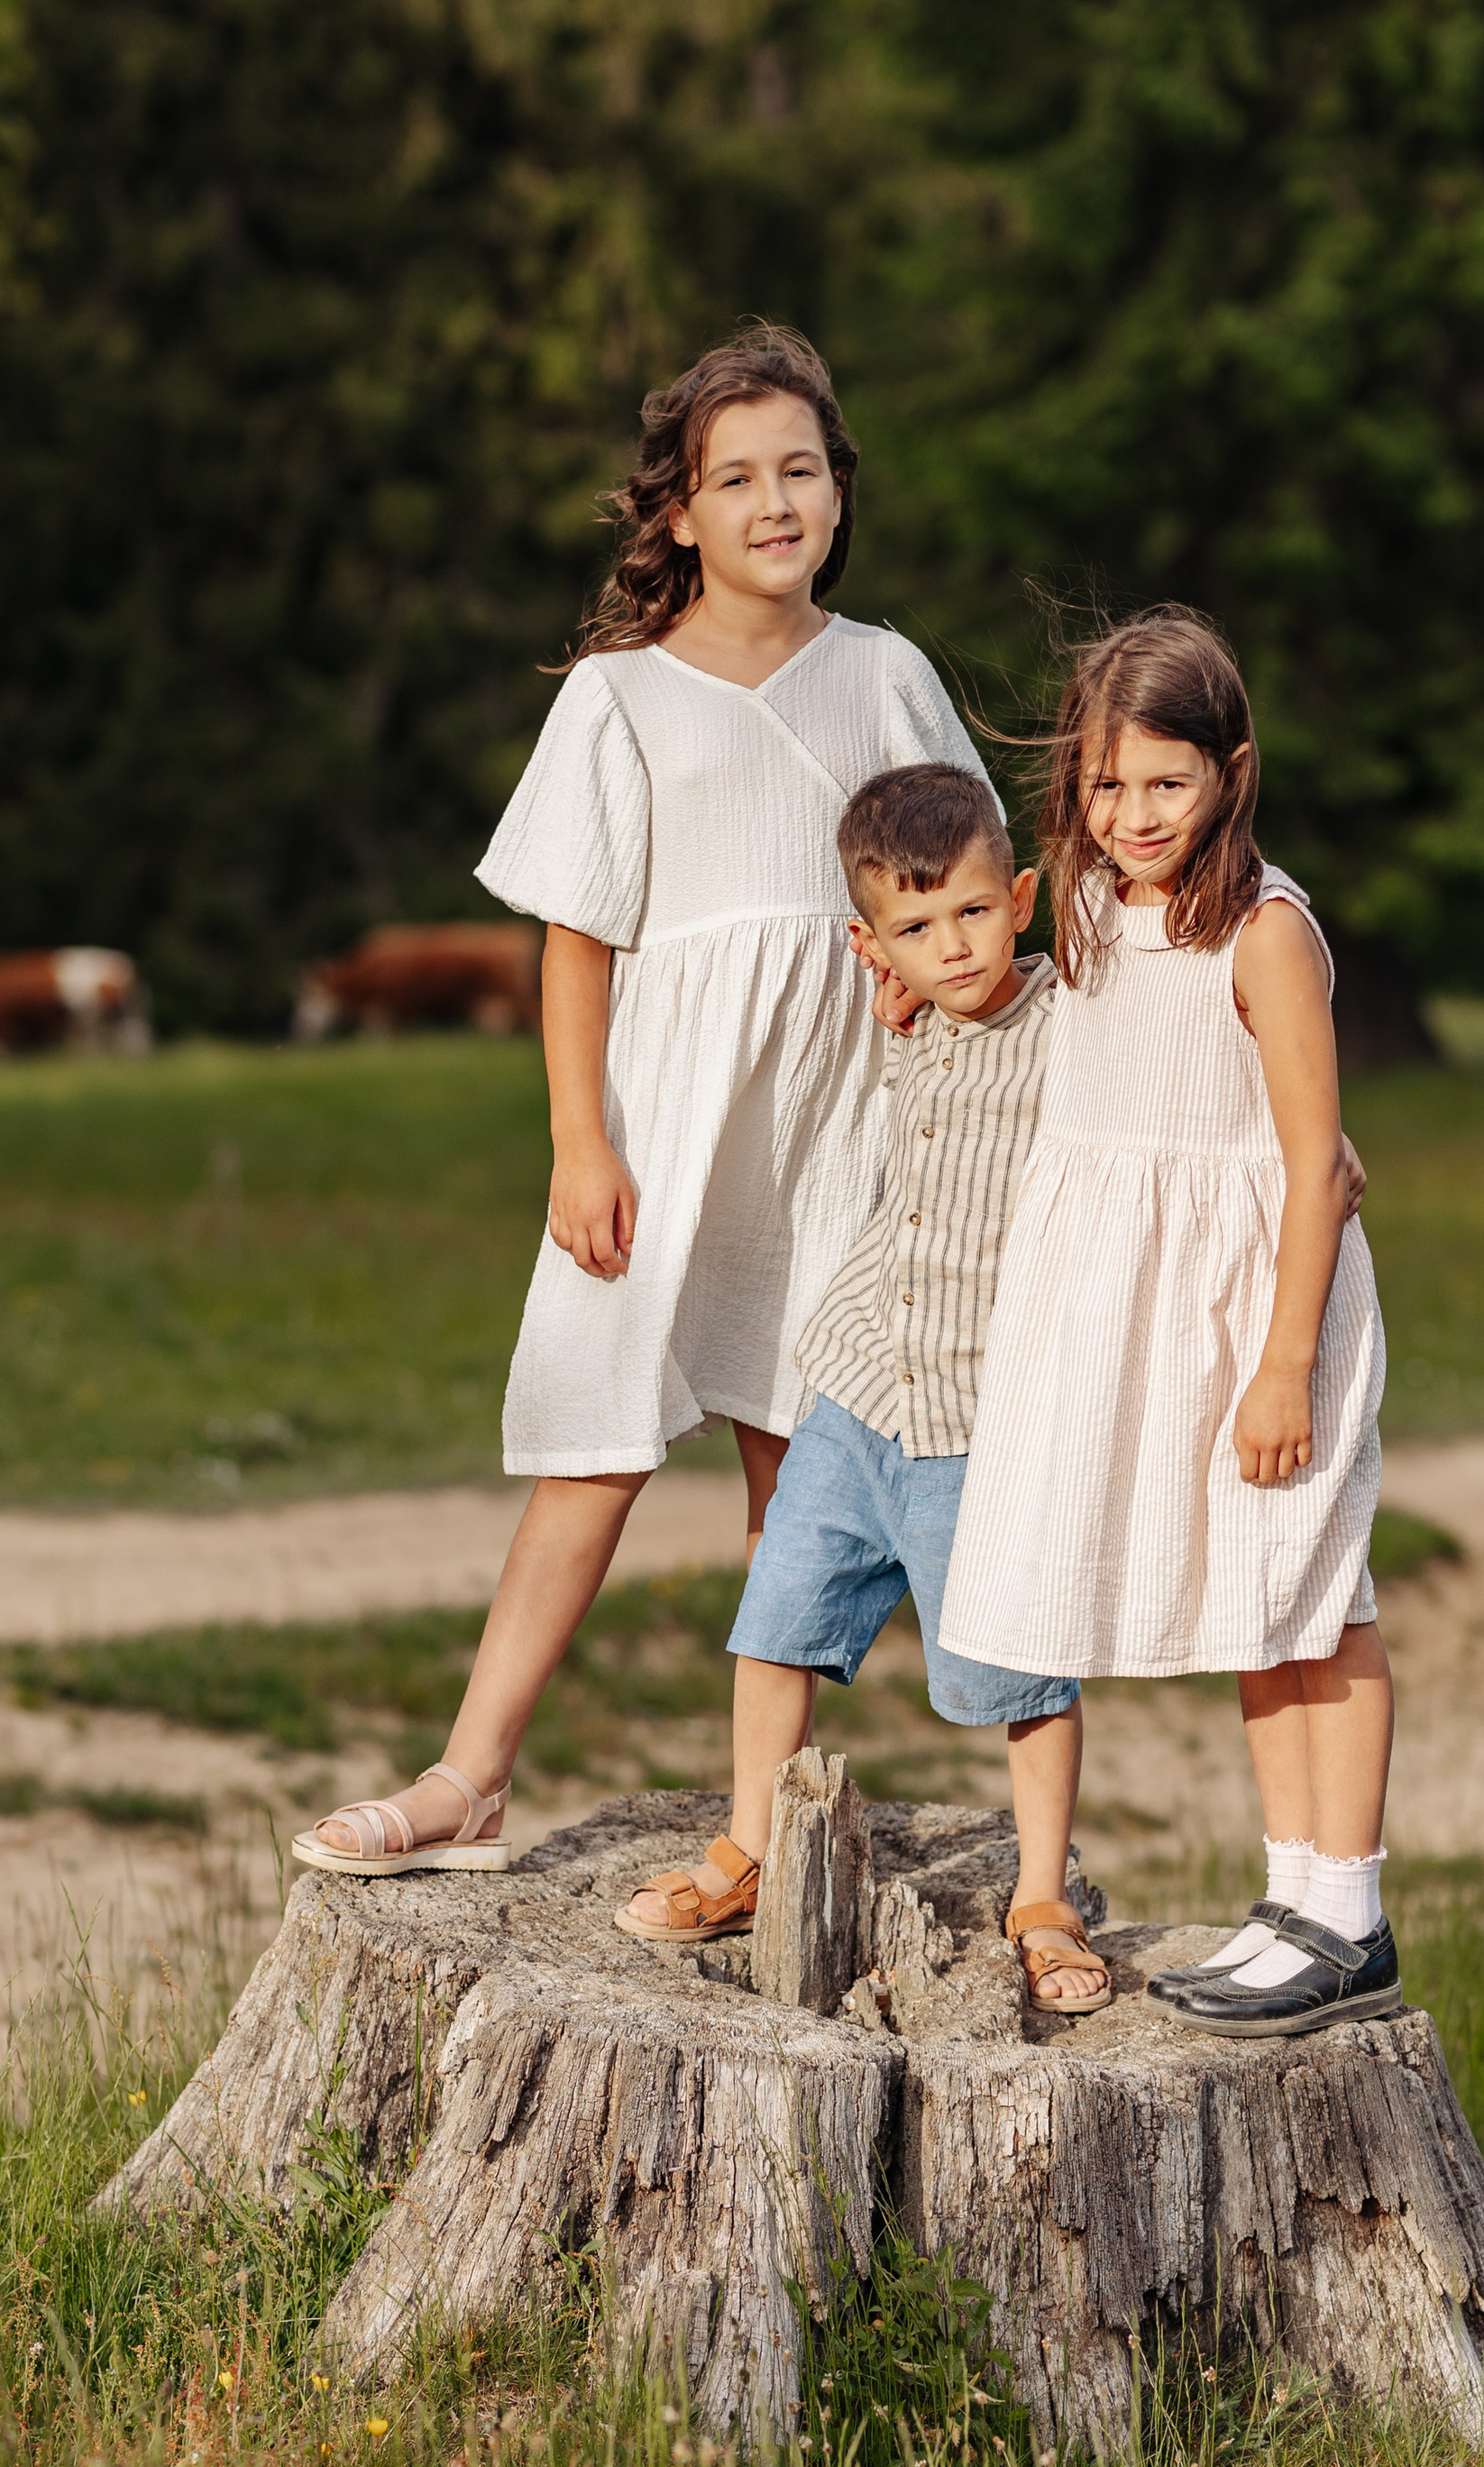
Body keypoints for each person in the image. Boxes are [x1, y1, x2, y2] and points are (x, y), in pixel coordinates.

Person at [292, 326, 989, 1878]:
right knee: (594, 1441)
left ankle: (765, 1820)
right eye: (735, 479)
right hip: (665, 1124)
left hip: (840, 1127)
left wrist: (914, 970)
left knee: (796, 1458)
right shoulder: (618, 699)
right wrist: (580, 1139)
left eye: (800, 471)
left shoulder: (887, 674)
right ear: (679, 511)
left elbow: (967, 885)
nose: (773, 502)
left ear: (839, 491)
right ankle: (473, 1774)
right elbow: (577, 933)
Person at [935, 607, 1398, 2039]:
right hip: (1154, 1311)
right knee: (1259, 1606)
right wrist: (924, 986)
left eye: (1167, 785)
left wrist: (1282, 1367)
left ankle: (1356, 1912)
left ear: (1232, 774)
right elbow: (1060, 1022)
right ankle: (1295, 1891)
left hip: (1266, 1311)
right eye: (1106, 783)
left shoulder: (1264, 935)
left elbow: (1317, 1159)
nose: (1131, 815)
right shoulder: (1081, 905)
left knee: (1321, 1597)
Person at [617, 761, 1112, 2008]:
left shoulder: (1075, 1027)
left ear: (1024, 899)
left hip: (975, 1421)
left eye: (973, 913)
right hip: (850, 1393)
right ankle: (749, 1849)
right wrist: (899, 1009)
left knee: (1018, 1670)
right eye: (914, 926)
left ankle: (1043, 1902)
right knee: (774, 1624)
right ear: (870, 942)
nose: (952, 946)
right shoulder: (910, 1023)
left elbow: (1186, 1088)